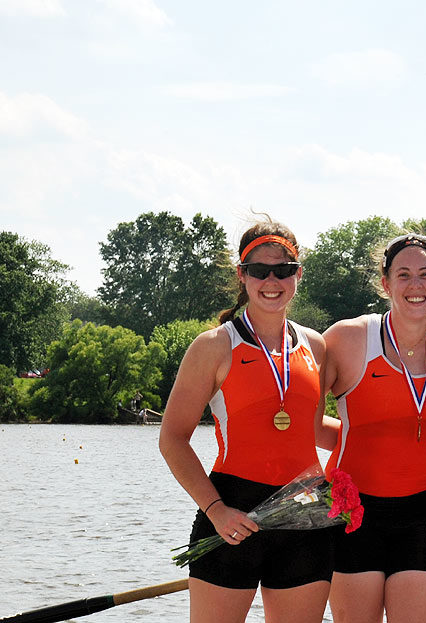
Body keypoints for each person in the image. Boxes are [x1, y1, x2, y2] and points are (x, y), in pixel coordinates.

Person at [159, 221, 334, 623]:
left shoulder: (316, 346)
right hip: (231, 514)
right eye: (259, 271)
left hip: (305, 513)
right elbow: (172, 439)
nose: (271, 280)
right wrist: (215, 510)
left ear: (297, 275)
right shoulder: (214, 346)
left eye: (283, 270)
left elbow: (311, 428)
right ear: (242, 274)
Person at [321, 233, 426, 623]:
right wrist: (354, 436)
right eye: (403, 275)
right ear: (385, 283)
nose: (415, 285)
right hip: (354, 511)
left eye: (425, 274)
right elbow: (306, 421)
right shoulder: (347, 338)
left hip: (424, 513)